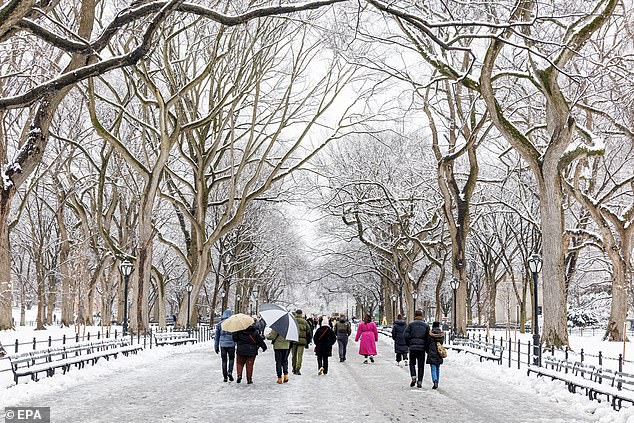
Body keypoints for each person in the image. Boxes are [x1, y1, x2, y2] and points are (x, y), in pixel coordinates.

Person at [404, 310, 430, 388]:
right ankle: (420, 381)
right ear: (422, 316)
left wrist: (409, 344)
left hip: (412, 348)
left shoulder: (410, 325)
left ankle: (413, 376)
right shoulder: (426, 326)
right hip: (422, 348)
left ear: (415, 316)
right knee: (421, 365)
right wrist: (426, 346)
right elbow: (428, 338)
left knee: (412, 363)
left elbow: (406, 335)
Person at [214, 309, 236, 382]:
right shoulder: (233, 324)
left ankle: (225, 377)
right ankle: (230, 371)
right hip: (231, 345)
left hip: (223, 345)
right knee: (231, 359)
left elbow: (216, 337)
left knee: (224, 361)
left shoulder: (219, 324)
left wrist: (216, 346)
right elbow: (236, 335)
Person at [292, 309, 312, 375]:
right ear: (301, 314)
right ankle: (298, 369)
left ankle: (294, 368)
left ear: (296, 313)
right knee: (300, 356)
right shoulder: (305, 322)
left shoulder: (293, 321)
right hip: (302, 341)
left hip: (294, 340)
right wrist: (308, 341)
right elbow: (308, 332)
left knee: (294, 355)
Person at [427, 321, 445, 389]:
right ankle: (437, 380)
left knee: (433, 367)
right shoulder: (441, 334)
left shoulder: (430, 334)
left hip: (432, 351)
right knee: (438, 367)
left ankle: (435, 381)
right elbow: (442, 342)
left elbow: (427, 343)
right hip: (439, 352)